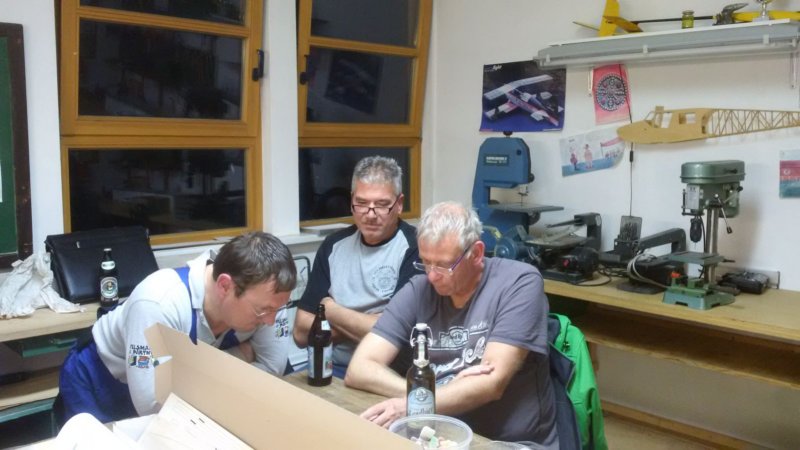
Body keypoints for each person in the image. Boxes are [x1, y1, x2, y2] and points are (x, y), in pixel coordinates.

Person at [345, 201, 558, 446]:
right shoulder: (418, 289)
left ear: (476, 253)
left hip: (507, 442)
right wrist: (424, 398)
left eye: (444, 265)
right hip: (440, 436)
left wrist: (416, 404)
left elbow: (491, 383)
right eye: (425, 261)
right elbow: (359, 368)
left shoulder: (519, 282)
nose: (431, 275)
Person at [55, 231, 297, 425]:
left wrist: (186, 371)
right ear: (225, 286)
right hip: (99, 379)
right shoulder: (158, 303)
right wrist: (242, 356)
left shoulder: (268, 300)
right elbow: (152, 404)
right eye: (262, 311)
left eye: (277, 310)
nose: (270, 321)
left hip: (169, 392)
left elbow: (272, 368)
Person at [293, 156, 418, 377]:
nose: (370, 214)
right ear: (351, 200)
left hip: (384, 372)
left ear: (399, 204)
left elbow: (396, 334)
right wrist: (369, 321)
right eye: (361, 203)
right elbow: (301, 332)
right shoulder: (333, 246)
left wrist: (331, 310)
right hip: (331, 366)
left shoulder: (415, 248)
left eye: (382, 205)